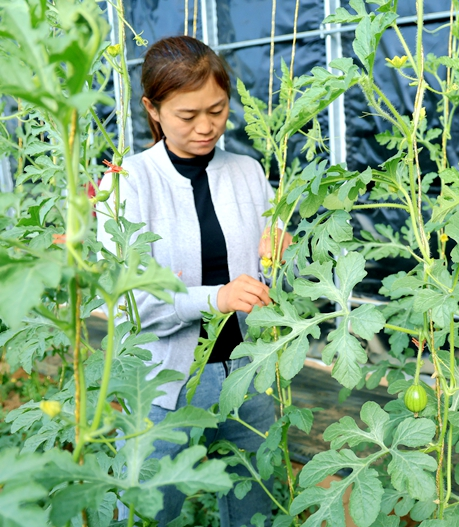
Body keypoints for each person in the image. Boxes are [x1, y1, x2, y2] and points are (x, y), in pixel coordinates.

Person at [98, 35, 290, 527]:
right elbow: (127, 304)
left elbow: (269, 284)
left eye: (218, 110)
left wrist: (283, 255)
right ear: (153, 109)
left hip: (247, 376)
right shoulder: (127, 182)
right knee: (147, 514)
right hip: (163, 387)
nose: (207, 127)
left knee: (256, 509)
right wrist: (216, 297)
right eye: (187, 116)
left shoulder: (247, 172)